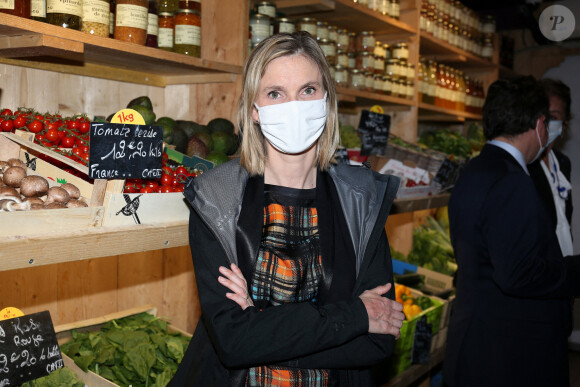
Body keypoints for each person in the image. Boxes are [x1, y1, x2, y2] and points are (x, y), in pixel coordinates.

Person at [169, 31, 404, 387]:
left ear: (327, 101)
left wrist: (261, 327)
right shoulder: (216, 197)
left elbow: (377, 341)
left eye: (308, 90)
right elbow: (233, 344)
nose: (294, 106)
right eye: (275, 93)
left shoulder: (362, 199)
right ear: (255, 111)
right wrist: (355, 316)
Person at [442, 76, 580, 387]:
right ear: (539, 123)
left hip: (478, 342)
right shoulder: (511, 179)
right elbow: (519, 274)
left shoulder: (474, 170)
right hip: (510, 354)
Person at [529, 78, 573, 257]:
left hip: (563, 265)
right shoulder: (525, 164)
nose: (546, 123)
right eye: (542, 115)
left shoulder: (563, 163)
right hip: (537, 269)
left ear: (565, 123)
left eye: (553, 117)